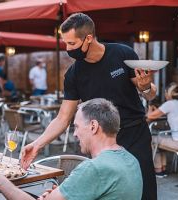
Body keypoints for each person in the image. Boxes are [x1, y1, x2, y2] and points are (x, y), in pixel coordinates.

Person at [21, 13, 157, 200]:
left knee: (145, 190)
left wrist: (146, 86)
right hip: (102, 142)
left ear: (89, 39)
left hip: (135, 135)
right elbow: (63, 117)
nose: (68, 49)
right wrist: (37, 144)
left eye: (72, 44)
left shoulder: (122, 53)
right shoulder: (73, 74)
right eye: (65, 44)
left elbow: (150, 93)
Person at [0, 99, 143, 200]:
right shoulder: (131, 160)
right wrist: (69, 192)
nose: (75, 134)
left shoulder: (94, 168)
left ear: (93, 126)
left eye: (77, 127)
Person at [147, 83, 178, 178]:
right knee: (161, 137)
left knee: (152, 139)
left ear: (168, 93)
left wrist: (150, 108)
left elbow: (149, 116)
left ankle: (158, 170)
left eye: (165, 93)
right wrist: (157, 110)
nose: (165, 95)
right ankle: (163, 168)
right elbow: (167, 112)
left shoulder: (169, 104)